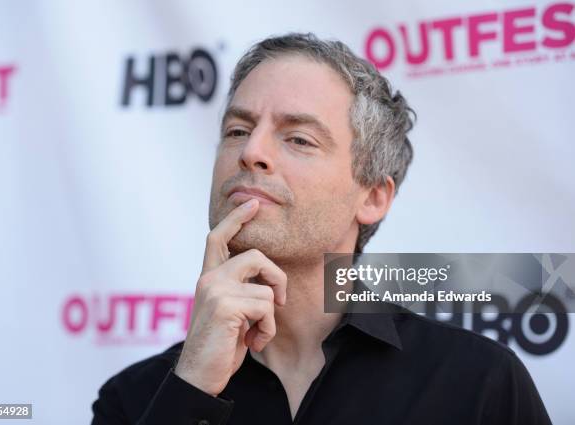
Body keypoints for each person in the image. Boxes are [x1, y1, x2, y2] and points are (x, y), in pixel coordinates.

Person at [91, 33, 552, 425]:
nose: (252, 151)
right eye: (236, 130)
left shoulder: (477, 384)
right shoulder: (135, 400)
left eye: (298, 139)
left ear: (373, 196)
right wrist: (189, 390)